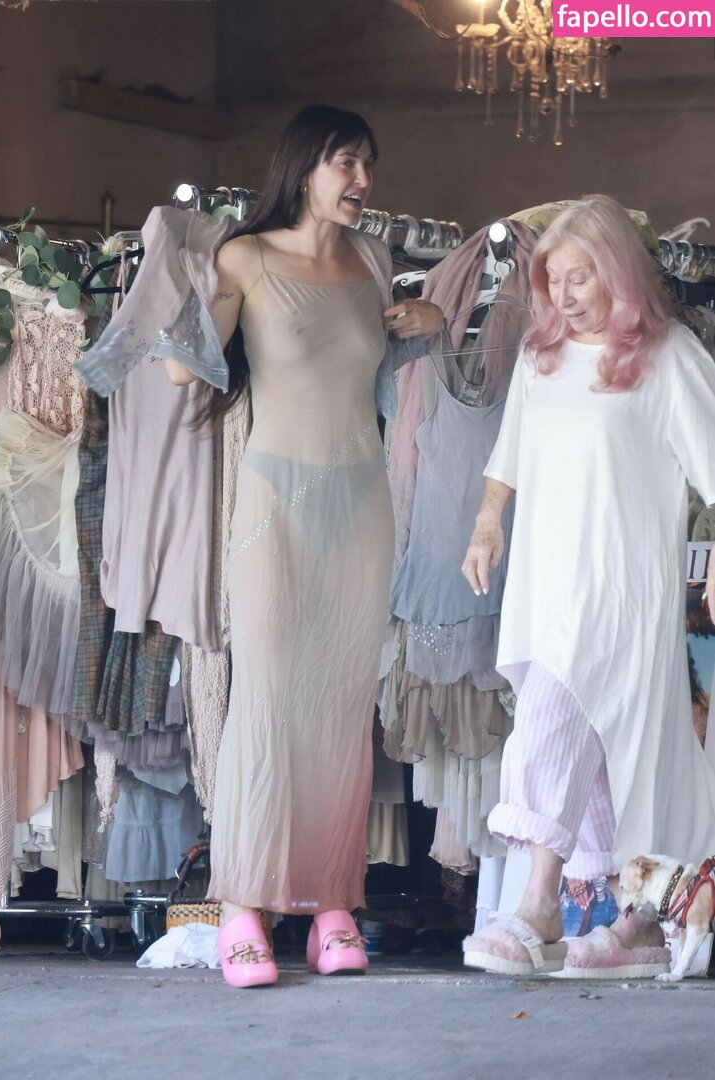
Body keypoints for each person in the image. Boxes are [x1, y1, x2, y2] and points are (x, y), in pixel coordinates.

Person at [164, 105, 443, 987]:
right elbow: (179, 367)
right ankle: (239, 905)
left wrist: (427, 316)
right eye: (346, 163)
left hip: (361, 504)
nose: (362, 180)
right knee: (269, 695)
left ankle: (331, 905)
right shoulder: (244, 256)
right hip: (274, 502)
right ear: (305, 167)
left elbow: (377, 366)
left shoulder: (372, 259)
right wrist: (201, 297)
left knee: (339, 702)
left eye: (367, 164)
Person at [460, 194, 715, 978]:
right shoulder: (540, 358)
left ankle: (536, 906)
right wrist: (487, 522)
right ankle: (637, 923)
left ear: (618, 273)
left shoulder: (666, 357)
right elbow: (510, 453)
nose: (563, 295)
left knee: (558, 723)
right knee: (607, 752)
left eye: (580, 277)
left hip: (621, 587)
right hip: (546, 583)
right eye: (553, 279)